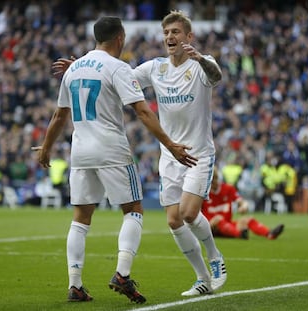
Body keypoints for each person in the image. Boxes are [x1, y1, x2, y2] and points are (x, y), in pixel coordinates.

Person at [52, 10, 227, 297]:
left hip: (197, 153)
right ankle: (202, 278)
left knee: (188, 212)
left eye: (176, 32)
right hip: (170, 156)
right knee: (173, 220)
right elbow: (115, 76)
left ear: (189, 36)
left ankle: (215, 257)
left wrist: (201, 59)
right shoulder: (154, 68)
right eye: (167, 33)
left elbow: (216, 75)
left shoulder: (202, 65)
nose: (170, 37)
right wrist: (82, 67)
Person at [202, 166, 285, 240]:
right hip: (210, 227)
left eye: (215, 179)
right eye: (211, 180)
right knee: (218, 218)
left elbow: (242, 202)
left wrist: (243, 206)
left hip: (228, 225)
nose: (213, 183)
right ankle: (239, 234)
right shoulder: (202, 192)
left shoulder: (228, 189)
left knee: (246, 220)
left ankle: (269, 234)